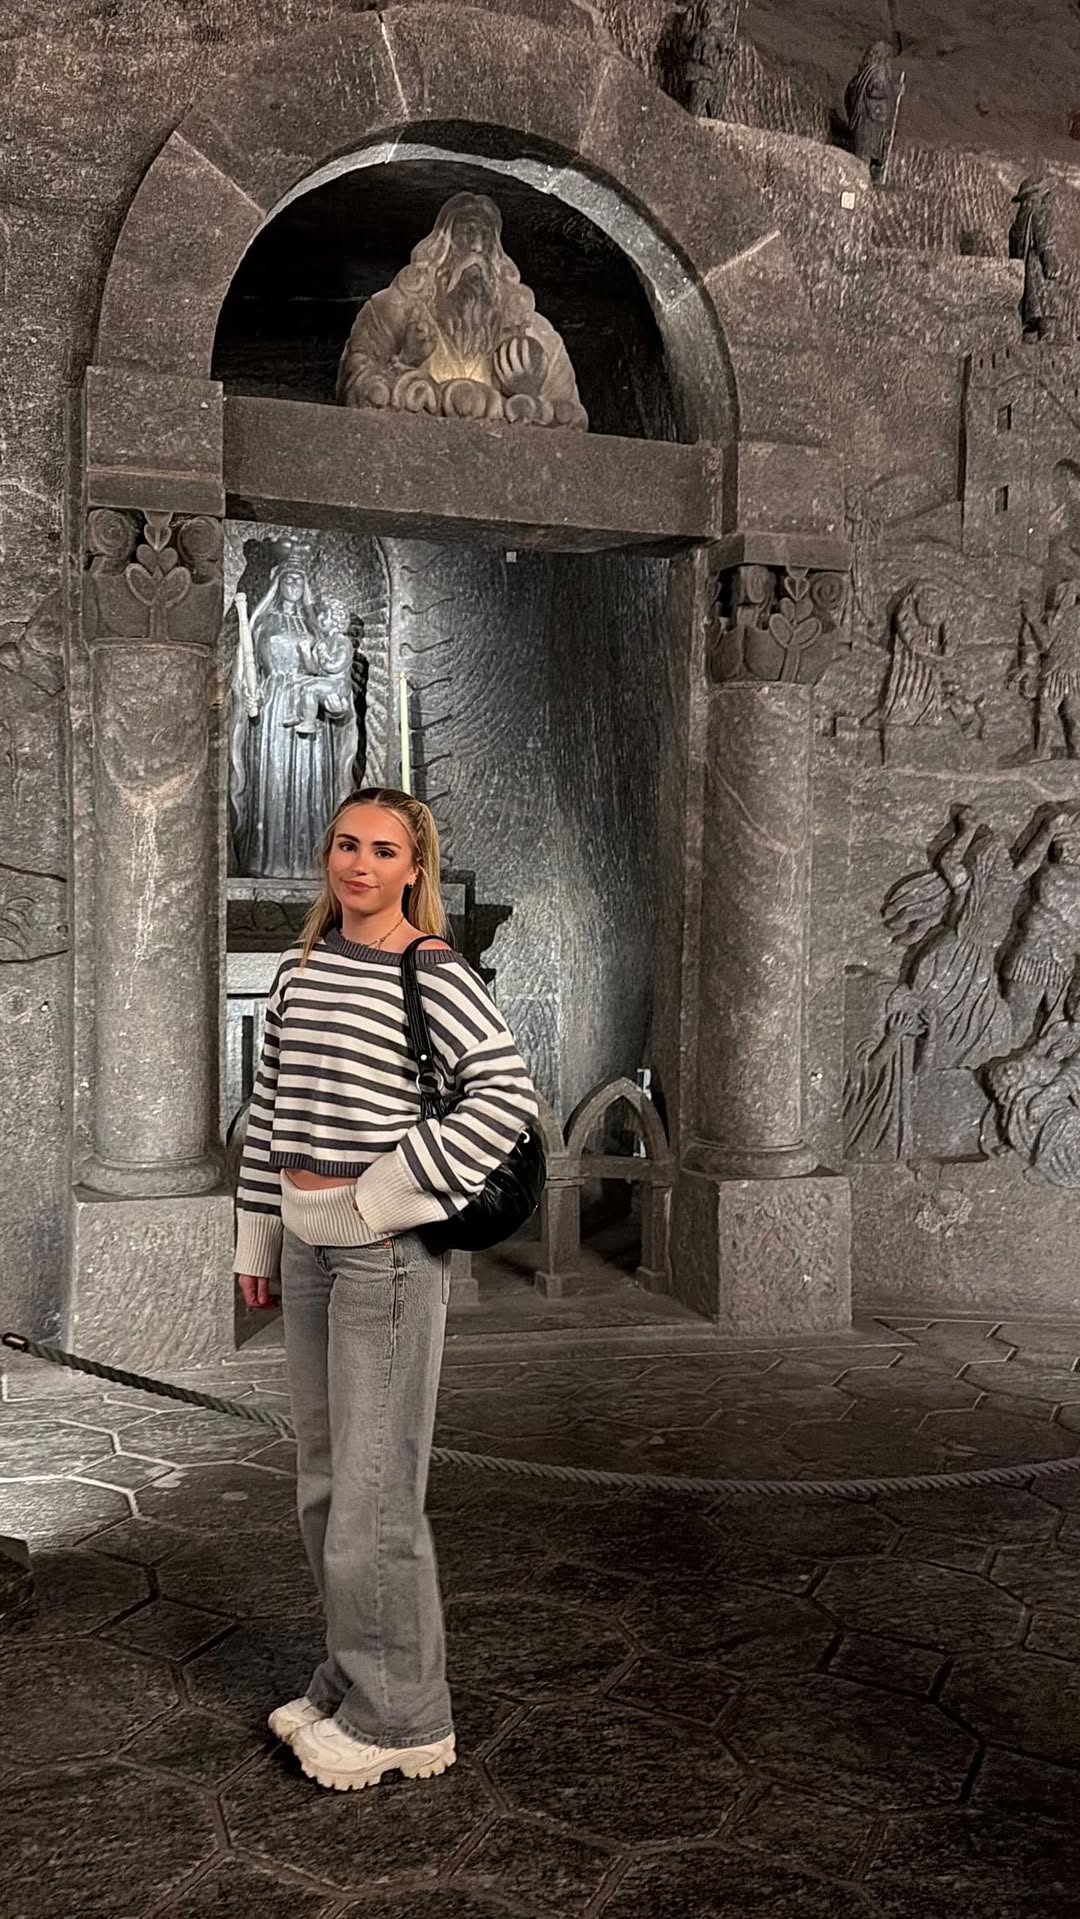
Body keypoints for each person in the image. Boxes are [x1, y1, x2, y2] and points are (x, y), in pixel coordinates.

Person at [234, 787, 539, 1792]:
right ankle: (349, 1675)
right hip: (309, 1250)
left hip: (386, 1257)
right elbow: (269, 1111)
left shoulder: (433, 969)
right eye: (345, 844)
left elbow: (505, 1096)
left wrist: (383, 1195)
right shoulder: (301, 970)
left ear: (415, 868)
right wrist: (260, 1235)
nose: (359, 864)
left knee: (376, 1493)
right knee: (327, 1484)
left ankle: (402, 1715)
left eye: (383, 850)